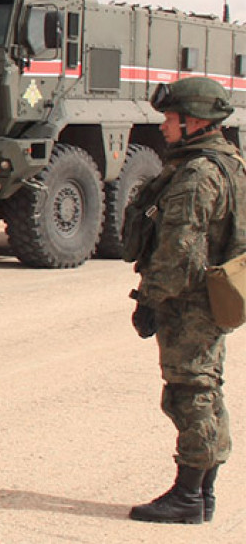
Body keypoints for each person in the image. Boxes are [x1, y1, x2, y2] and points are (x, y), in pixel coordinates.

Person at [124, 76, 243, 524]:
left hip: (190, 302)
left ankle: (188, 496)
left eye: (171, 119)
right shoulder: (230, 163)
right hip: (211, 296)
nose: (165, 127)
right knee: (206, 388)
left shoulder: (197, 175)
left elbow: (179, 250)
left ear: (194, 122)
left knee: (189, 392)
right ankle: (203, 492)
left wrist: (150, 299)